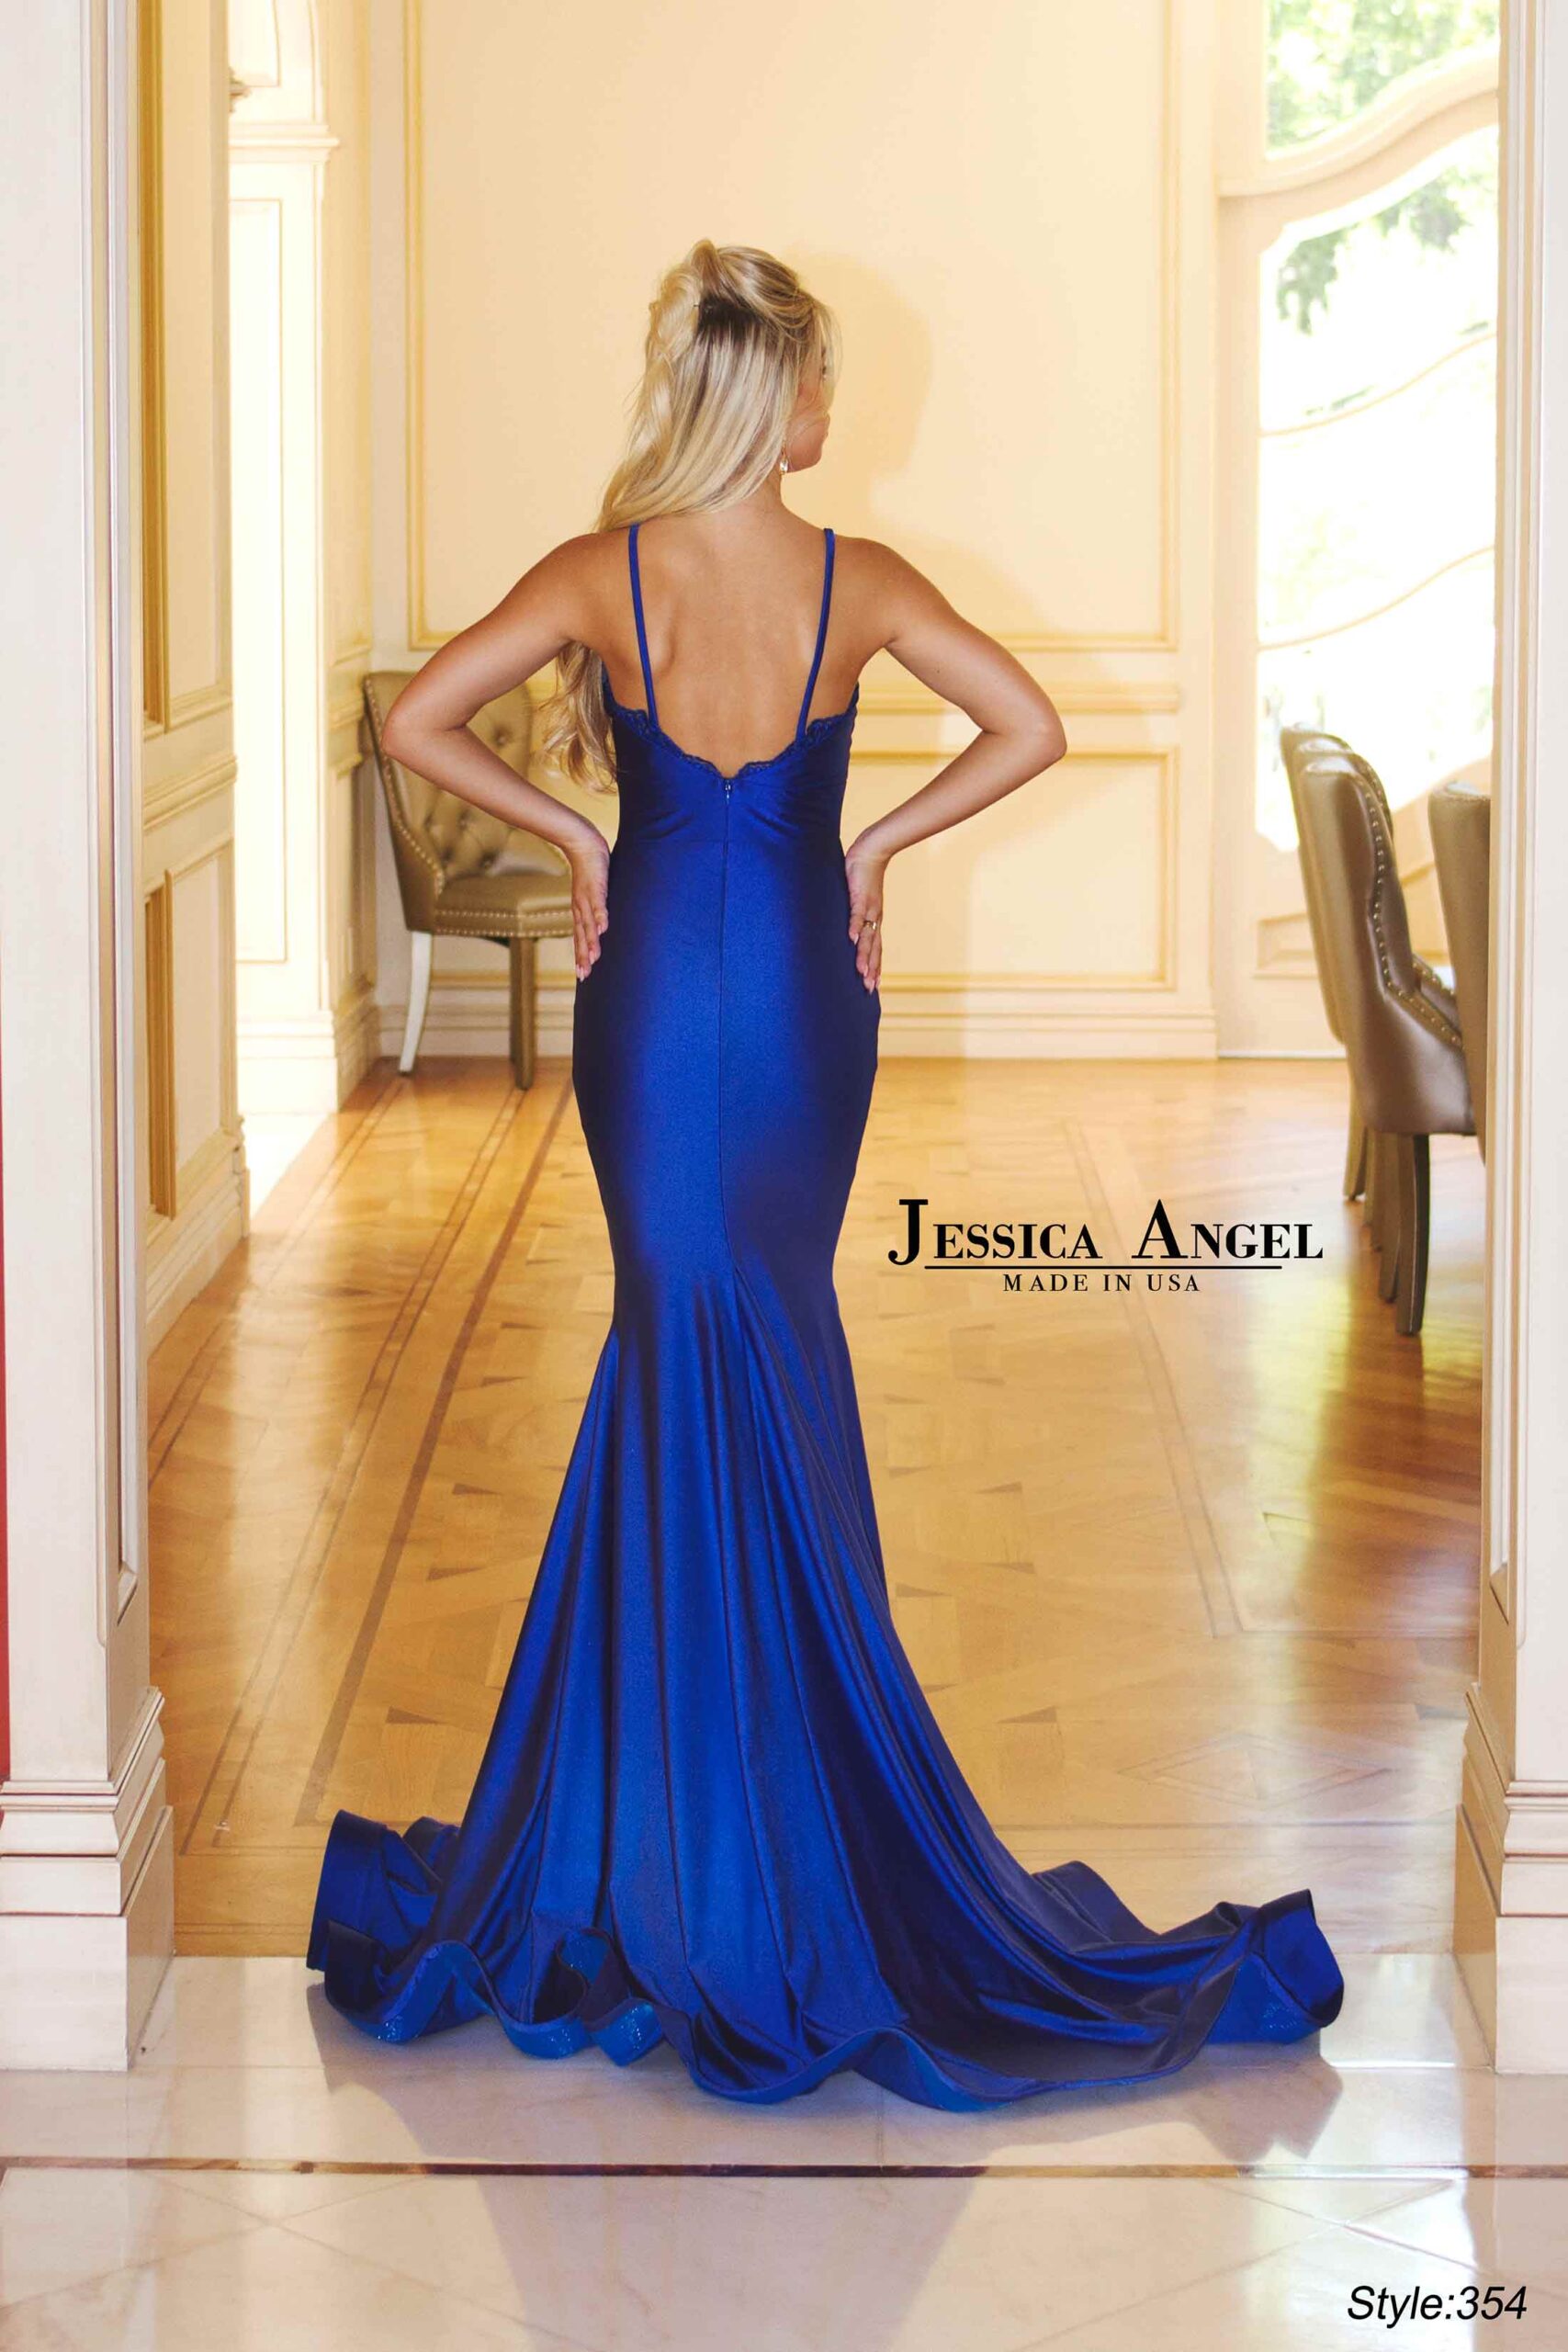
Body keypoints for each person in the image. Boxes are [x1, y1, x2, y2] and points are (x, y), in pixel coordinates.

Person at [309, 240, 1342, 2109]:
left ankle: (669, 1828)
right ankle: (769, 1814)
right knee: (764, 1334)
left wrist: (578, 837)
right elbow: (1029, 725)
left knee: (678, 1329)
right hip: (797, 994)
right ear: (766, 391)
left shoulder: (601, 571)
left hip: (650, 993)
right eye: (815, 380)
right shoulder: (855, 582)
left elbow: (413, 723)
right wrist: (871, 845)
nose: (828, 410)